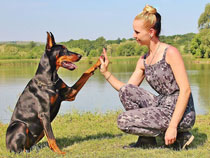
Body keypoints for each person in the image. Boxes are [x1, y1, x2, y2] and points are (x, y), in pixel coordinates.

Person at [99, 5, 196, 149]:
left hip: (181, 112)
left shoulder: (170, 52)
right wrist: (106, 73)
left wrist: (173, 126)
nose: (133, 35)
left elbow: (186, 90)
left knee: (123, 120)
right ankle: (146, 141)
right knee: (126, 91)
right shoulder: (143, 60)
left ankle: (179, 135)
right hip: (161, 105)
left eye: (137, 32)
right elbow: (126, 89)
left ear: (151, 32)